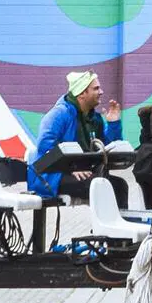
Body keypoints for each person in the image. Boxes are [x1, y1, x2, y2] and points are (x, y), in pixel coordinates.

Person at [28, 70, 110, 204]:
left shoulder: (95, 118)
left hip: (82, 172)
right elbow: (44, 145)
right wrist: (71, 168)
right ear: (82, 93)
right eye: (96, 88)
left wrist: (114, 124)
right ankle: (105, 224)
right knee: (100, 187)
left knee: (119, 185)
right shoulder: (59, 114)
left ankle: (116, 224)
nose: (101, 91)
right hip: (52, 176)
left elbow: (106, 147)